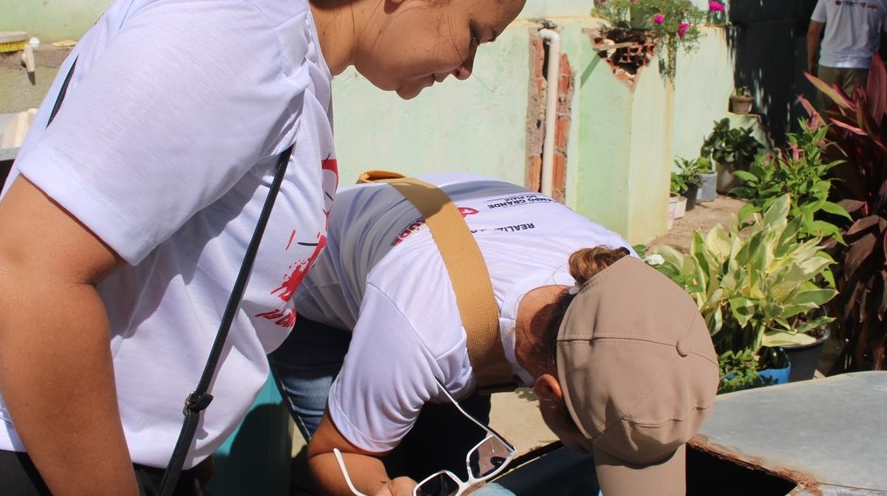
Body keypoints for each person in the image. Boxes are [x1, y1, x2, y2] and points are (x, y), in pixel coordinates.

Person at [0, 0, 542, 496]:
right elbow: (30, 269)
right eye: (475, 33)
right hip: (13, 457)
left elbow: (194, 280)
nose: (466, 69)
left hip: (95, 454)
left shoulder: (289, 51)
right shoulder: (241, 31)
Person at [269, 173, 719, 496]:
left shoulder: (623, 277)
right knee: (386, 464)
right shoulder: (427, 323)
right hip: (318, 293)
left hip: (436, 254)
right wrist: (381, 488)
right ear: (548, 393)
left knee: (451, 461)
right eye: (593, 445)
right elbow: (335, 455)